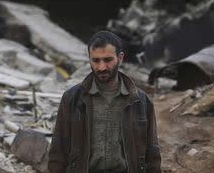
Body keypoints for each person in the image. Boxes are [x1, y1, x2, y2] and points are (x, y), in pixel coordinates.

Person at [48, 30, 161, 173]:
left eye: (108, 60)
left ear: (120, 58)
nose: (101, 67)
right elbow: (58, 150)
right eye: (96, 60)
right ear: (89, 59)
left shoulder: (141, 102)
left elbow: (152, 154)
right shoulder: (72, 98)